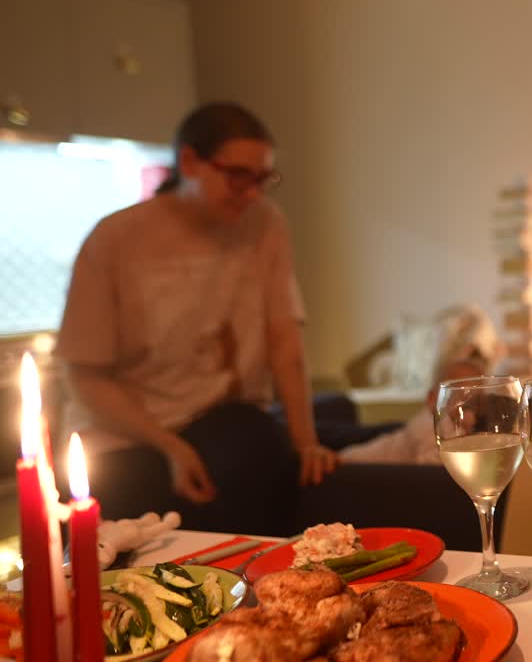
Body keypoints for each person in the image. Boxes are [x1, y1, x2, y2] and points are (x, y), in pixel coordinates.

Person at [56, 102, 337, 536]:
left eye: (263, 178)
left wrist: (307, 441)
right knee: (128, 508)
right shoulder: (115, 239)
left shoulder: (264, 224)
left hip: (218, 418)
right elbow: (85, 375)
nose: (253, 191)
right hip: (123, 431)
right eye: (238, 175)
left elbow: (284, 339)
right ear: (189, 161)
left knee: (260, 452)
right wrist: (170, 446)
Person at [339, 304, 502, 465]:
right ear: (432, 400)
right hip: (350, 465)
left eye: (476, 401)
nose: (470, 411)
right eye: (460, 398)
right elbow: (429, 467)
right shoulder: (427, 428)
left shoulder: (457, 426)